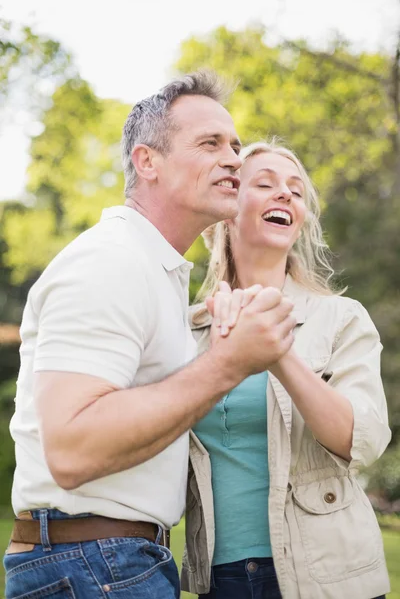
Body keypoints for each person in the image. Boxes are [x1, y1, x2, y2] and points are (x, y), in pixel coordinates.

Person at [3, 75, 298, 599]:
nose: (234, 158)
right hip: (93, 563)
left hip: (113, 560)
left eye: (234, 145)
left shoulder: (157, 272)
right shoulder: (111, 260)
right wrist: (229, 364)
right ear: (147, 162)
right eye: (210, 143)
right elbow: (71, 450)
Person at [182, 140, 391, 599]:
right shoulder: (188, 331)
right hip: (222, 579)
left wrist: (278, 353)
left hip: (329, 574)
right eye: (265, 184)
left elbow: (363, 440)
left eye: (296, 191)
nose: (286, 196)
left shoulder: (340, 318)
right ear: (226, 209)